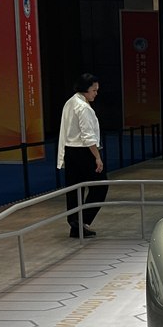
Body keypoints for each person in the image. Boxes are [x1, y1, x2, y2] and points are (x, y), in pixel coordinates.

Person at [57, 73, 108, 238]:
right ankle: (82, 221)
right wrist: (97, 157)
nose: (96, 93)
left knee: (74, 190)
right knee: (100, 186)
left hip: (71, 151)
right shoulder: (83, 107)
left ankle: (75, 224)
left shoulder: (71, 102)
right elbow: (88, 136)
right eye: (94, 90)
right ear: (85, 89)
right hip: (84, 151)